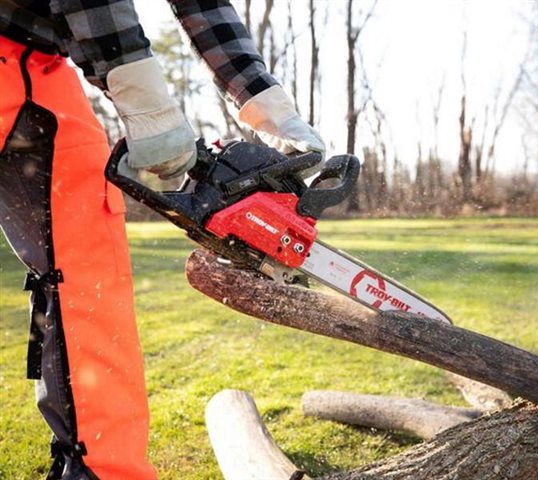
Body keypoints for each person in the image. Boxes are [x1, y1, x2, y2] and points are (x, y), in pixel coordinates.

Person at [0, 1, 324, 478]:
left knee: (90, 273)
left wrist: (269, 106)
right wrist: (145, 101)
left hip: (43, 68)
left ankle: (104, 470)